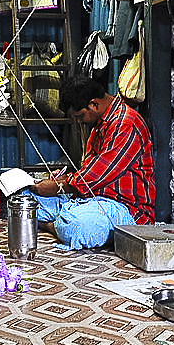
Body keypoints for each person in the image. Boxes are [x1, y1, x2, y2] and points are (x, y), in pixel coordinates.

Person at [28, 76, 155, 249]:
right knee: (26, 200)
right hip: (91, 200)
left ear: (93, 104)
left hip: (126, 211)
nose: (79, 122)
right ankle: (62, 219)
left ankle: (52, 225)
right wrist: (63, 178)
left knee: (75, 226)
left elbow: (99, 174)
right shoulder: (98, 126)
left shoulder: (126, 123)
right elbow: (89, 171)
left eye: (79, 116)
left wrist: (59, 186)